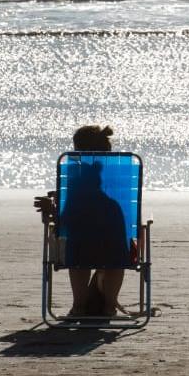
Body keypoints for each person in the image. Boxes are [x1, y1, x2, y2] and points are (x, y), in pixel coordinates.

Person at [34, 125, 126, 317]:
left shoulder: (74, 171)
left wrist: (52, 210)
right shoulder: (122, 168)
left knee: (78, 250)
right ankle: (109, 307)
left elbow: (67, 219)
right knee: (113, 256)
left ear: (77, 149)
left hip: (79, 249)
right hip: (116, 248)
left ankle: (78, 306)